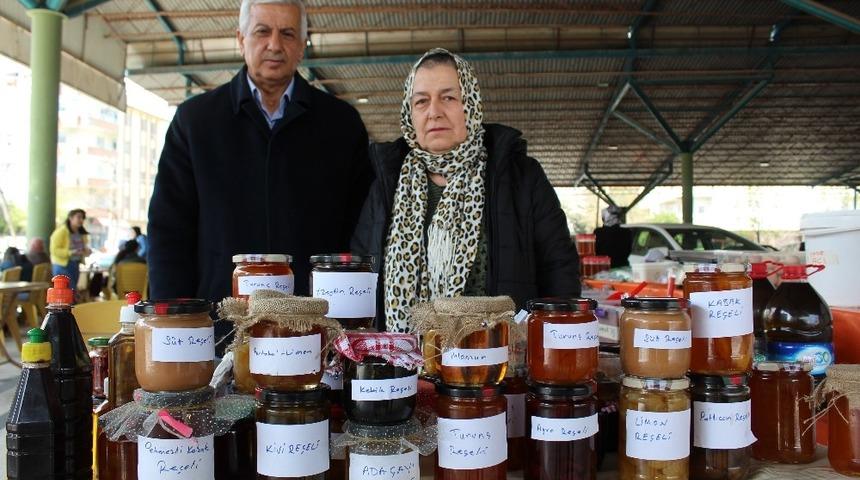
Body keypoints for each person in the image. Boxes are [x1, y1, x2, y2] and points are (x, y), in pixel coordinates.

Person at [147, 0, 371, 302]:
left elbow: (360, 230)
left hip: (314, 323)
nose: (274, 45)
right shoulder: (195, 122)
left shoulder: (342, 125)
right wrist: (174, 319)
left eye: (288, 34)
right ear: (241, 39)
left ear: (303, 45)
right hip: (219, 325)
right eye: (262, 31)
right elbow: (169, 232)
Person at [351, 48, 580, 332]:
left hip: (501, 362)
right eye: (421, 101)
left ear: (470, 104)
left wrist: (551, 341)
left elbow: (559, 269)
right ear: (409, 113)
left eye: (448, 97)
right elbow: (360, 273)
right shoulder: (386, 183)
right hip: (406, 366)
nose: (434, 112)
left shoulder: (521, 177)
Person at [49, 208, 91, 290]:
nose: (81, 220)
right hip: (62, 265)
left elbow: (83, 247)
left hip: (75, 264)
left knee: (72, 290)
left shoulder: (81, 233)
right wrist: (70, 252)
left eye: (83, 218)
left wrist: (86, 251)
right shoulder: (61, 232)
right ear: (70, 218)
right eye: (78, 217)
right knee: (65, 291)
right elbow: (54, 250)